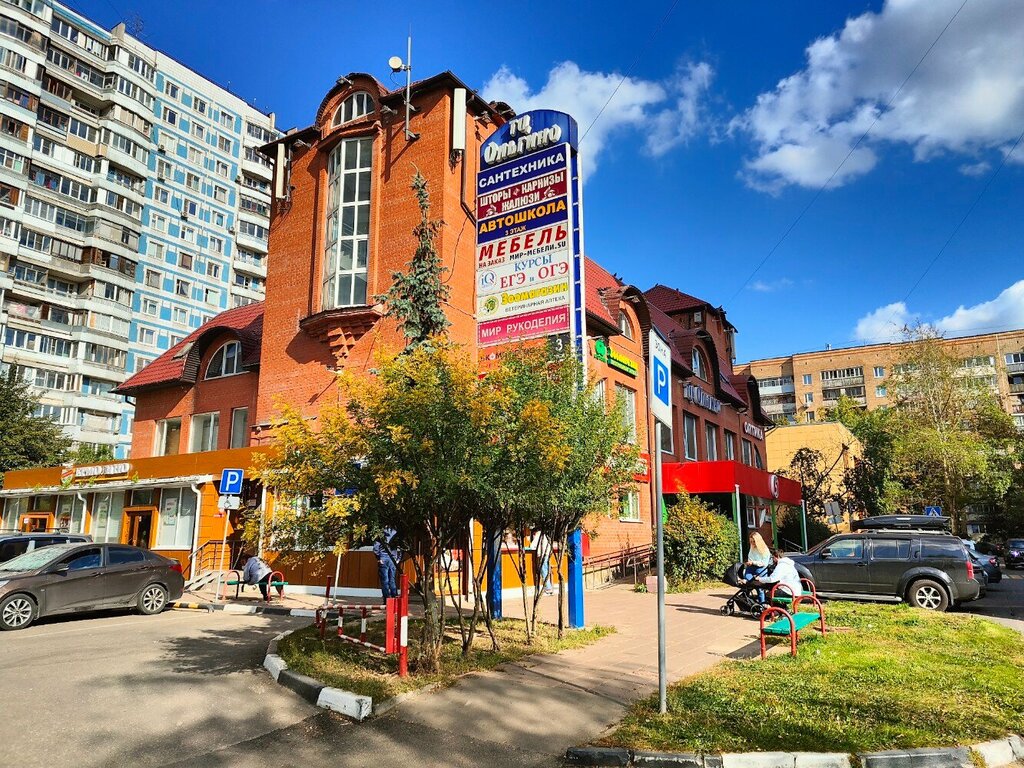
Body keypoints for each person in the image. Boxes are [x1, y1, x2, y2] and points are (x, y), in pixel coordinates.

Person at [741, 532, 772, 602]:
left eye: (754, 541)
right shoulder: (752, 548)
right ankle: (747, 600)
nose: (752, 543)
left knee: (760, 588)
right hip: (751, 568)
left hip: (761, 569)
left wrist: (753, 562)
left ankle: (762, 603)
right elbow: (750, 557)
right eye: (751, 541)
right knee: (747, 583)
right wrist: (750, 562)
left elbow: (764, 563)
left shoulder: (765, 550)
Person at [373, 527, 401, 599]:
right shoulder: (396, 533)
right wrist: (398, 559)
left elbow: (376, 548)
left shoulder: (380, 533)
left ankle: (386, 599)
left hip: (383, 558)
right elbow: (400, 548)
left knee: (384, 581)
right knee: (392, 580)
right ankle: (394, 598)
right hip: (393, 559)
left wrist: (378, 558)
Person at [531, 528, 554, 596]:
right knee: (545, 570)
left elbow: (532, 546)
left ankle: (548, 588)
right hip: (547, 554)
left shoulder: (538, 536)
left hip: (542, 555)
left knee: (544, 571)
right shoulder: (545, 535)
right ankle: (548, 587)